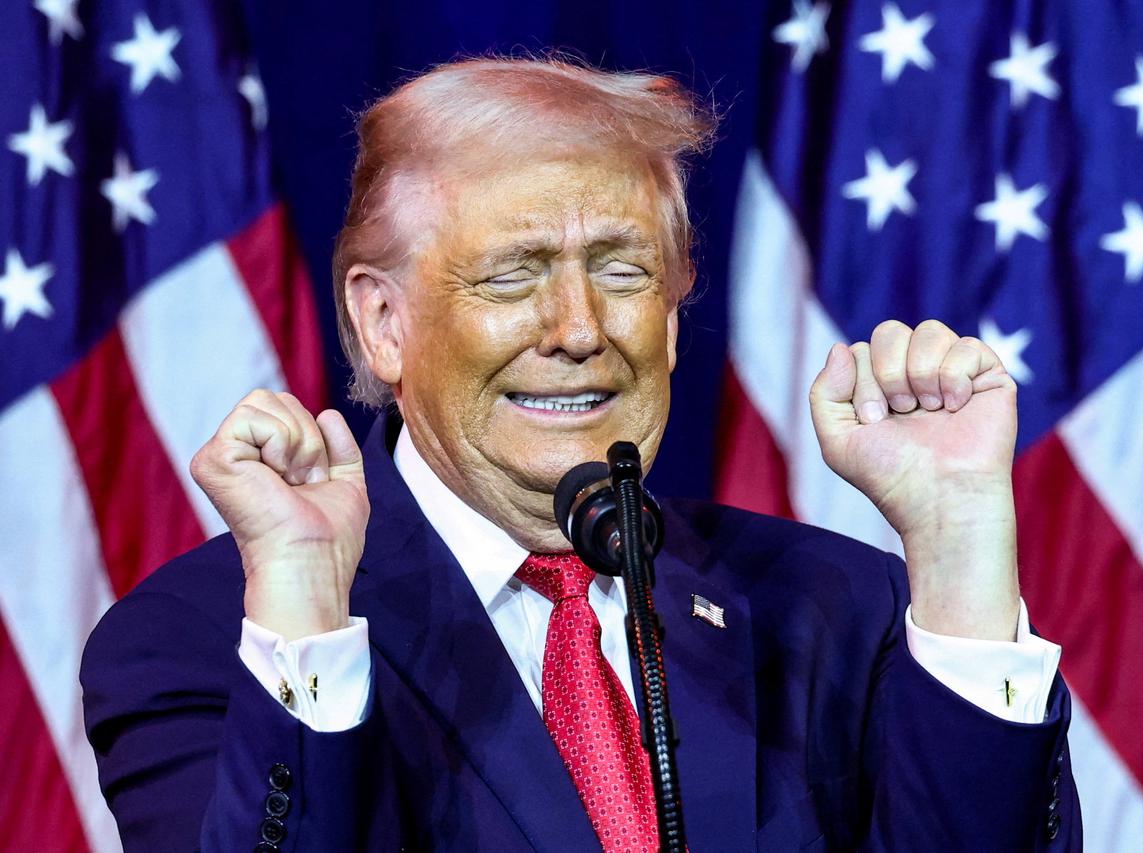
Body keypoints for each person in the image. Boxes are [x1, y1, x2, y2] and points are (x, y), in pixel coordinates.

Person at [81, 57, 1080, 852]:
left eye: (621, 269)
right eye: (513, 277)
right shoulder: (209, 641)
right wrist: (302, 603)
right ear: (384, 323)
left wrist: (956, 547)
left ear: (676, 312)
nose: (576, 328)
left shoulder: (841, 615)